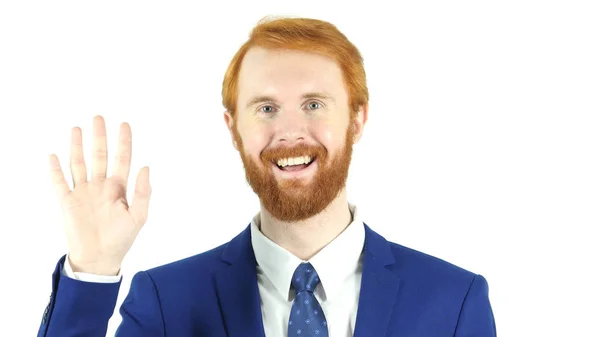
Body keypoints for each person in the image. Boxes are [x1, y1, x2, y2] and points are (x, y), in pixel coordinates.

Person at [37, 16, 496, 337]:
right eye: (267, 108)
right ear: (233, 128)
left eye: (314, 104)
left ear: (357, 119)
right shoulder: (166, 301)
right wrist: (91, 272)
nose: (290, 131)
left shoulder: (453, 301)